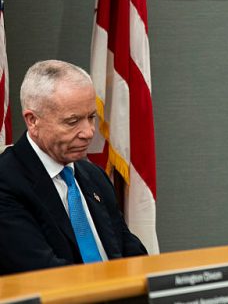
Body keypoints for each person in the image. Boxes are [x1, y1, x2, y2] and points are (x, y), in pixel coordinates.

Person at [0, 60, 147, 274]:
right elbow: (43, 272)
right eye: (72, 121)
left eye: (91, 117)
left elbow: (132, 253)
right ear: (32, 121)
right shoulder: (7, 181)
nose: (88, 132)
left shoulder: (93, 175)